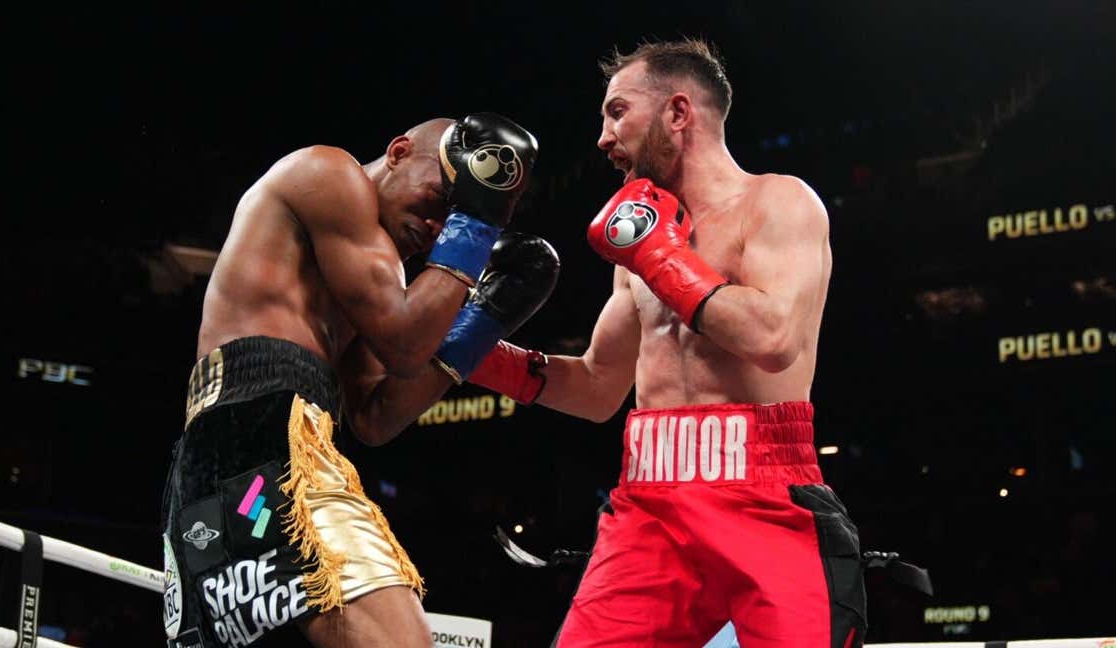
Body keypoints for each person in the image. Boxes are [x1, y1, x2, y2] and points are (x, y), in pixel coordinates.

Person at [467, 38, 865, 648]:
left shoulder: (777, 202)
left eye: (617, 111)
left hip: (765, 488)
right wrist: (471, 350)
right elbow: (600, 387)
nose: (603, 136)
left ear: (678, 113)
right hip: (648, 503)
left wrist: (661, 257)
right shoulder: (641, 241)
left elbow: (772, 336)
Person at [160, 113, 557, 648]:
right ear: (397, 152)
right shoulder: (329, 173)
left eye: (455, 219)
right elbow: (404, 342)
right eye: (442, 200)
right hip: (263, 435)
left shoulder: (381, 279)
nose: (442, 230)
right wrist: (480, 223)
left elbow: (375, 415)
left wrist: (482, 323)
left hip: (228, 465)